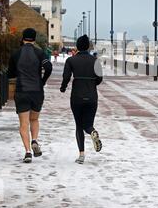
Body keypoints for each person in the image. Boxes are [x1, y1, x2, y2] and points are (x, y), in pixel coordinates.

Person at [8, 28, 53, 163]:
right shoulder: (40, 53)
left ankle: (27, 151)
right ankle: (34, 140)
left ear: (23, 38)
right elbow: (49, 67)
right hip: (37, 92)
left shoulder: (16, 54)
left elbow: (10, 74)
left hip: (22, 91)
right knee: (34, 119)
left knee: (23, 123)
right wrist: (42, 81)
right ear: (34, 39)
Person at [60, 35, 103, 164]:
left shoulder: (71, 60)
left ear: (77, 46)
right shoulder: (95, 61)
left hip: (77, 96)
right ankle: (92, 131)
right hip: (91, 96)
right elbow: (99, 79)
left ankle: (81, 155)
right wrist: (91, 84)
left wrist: (63, 88)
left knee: (79, 125)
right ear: (88, 46)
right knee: (88, 124)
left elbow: (66, 77)